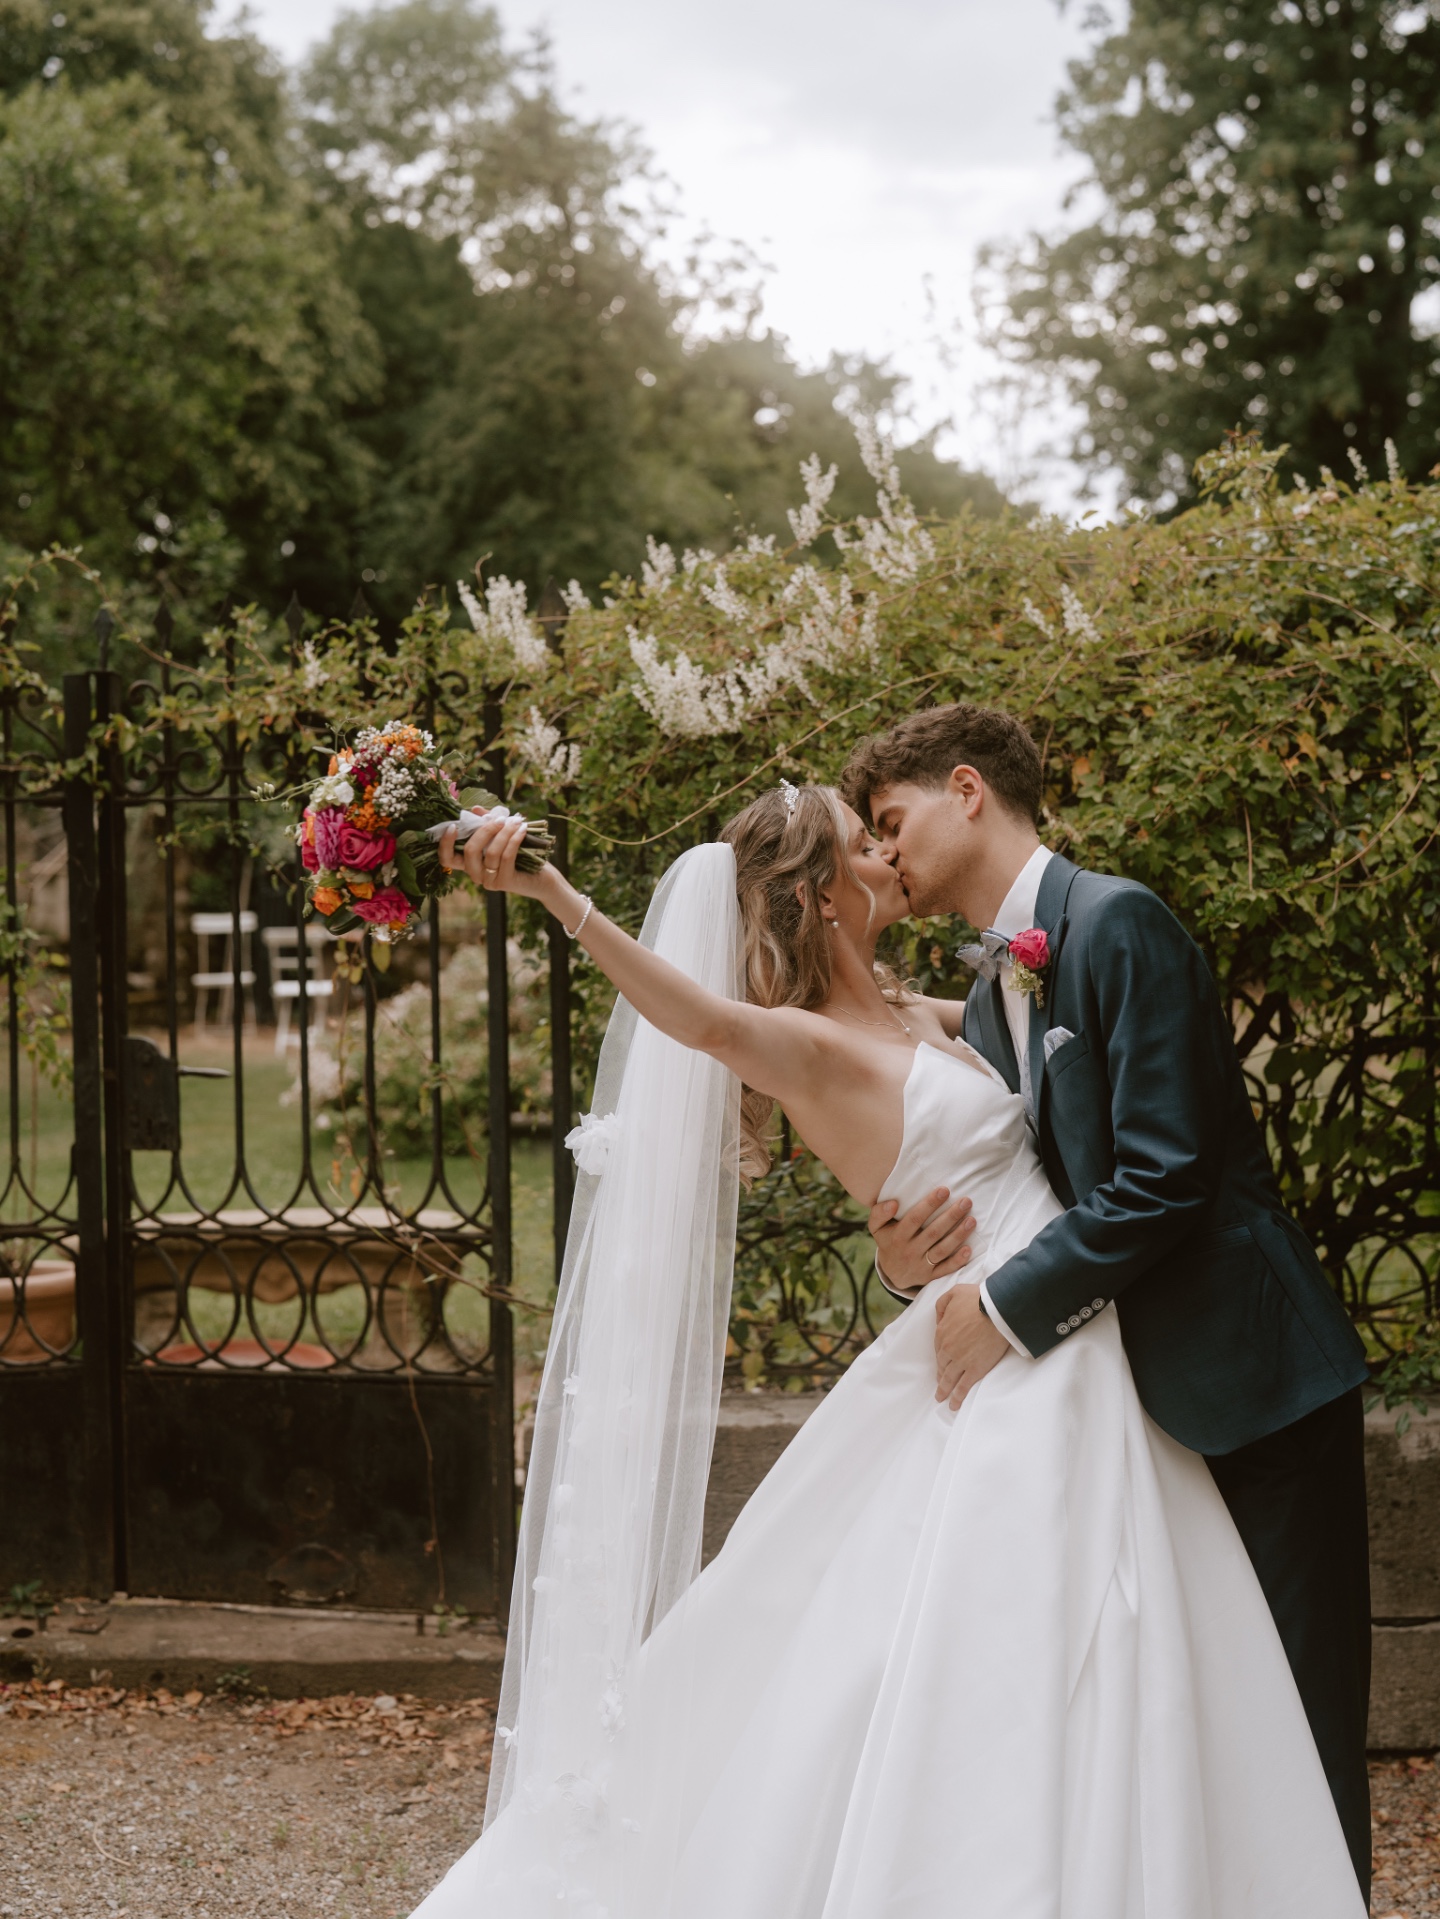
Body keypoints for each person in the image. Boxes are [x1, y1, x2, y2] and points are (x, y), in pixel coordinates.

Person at [409, 779, 1365, 1919]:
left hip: (1057, 1319)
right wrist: (559, 898)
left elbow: (1062, 1087)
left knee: (1127, 1625)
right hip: (1004, 1343)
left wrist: (912, 1257)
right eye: (867, 845)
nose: (888, 858)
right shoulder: (809, 1043)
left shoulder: (929, 1010)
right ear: (824, 894)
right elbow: (706, 1023)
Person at [844, 703, 1372, 1900]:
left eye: (892, 819)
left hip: (1255, 1389)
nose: (884, 852)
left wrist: (1003, 1311)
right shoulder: (997, 983)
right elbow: (1006, 1184)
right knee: (1214, 1727)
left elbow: (1167, 1173)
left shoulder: (1118, 920)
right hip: (1139, 1409)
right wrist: (909, 1261)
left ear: (966, 789)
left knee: (1300, 1720)